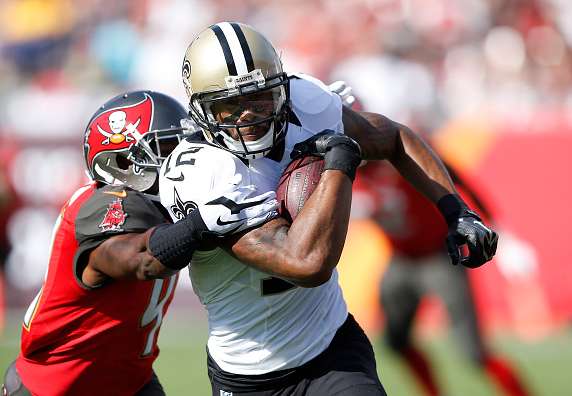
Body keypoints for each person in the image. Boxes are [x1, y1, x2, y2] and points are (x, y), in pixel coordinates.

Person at [158, 21, 499, 396]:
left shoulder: (307, 104)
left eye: (259, 98)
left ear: (282, 88)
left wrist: (457, 211)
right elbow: (306, 264)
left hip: (332, 349)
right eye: (229, 105)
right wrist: (340, 162)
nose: (248, 116)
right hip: (249, 375)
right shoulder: (202, 172)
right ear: (200, 110)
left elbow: (396, 138)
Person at [1, 90, 278, 396]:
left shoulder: (167, 204)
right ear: (120, 162)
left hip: (131, 381)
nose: (185, 156)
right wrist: (200, 224)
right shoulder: (100, 203)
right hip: (58, 385)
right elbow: (142, 257)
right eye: (168, 146)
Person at [353, 160, 534, 396]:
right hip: (400, 259)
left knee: (474, 353)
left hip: (440, 256)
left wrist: (504, 234)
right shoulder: (342, 166)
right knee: (395, 341)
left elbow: (458, 178)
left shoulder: (398, 152)